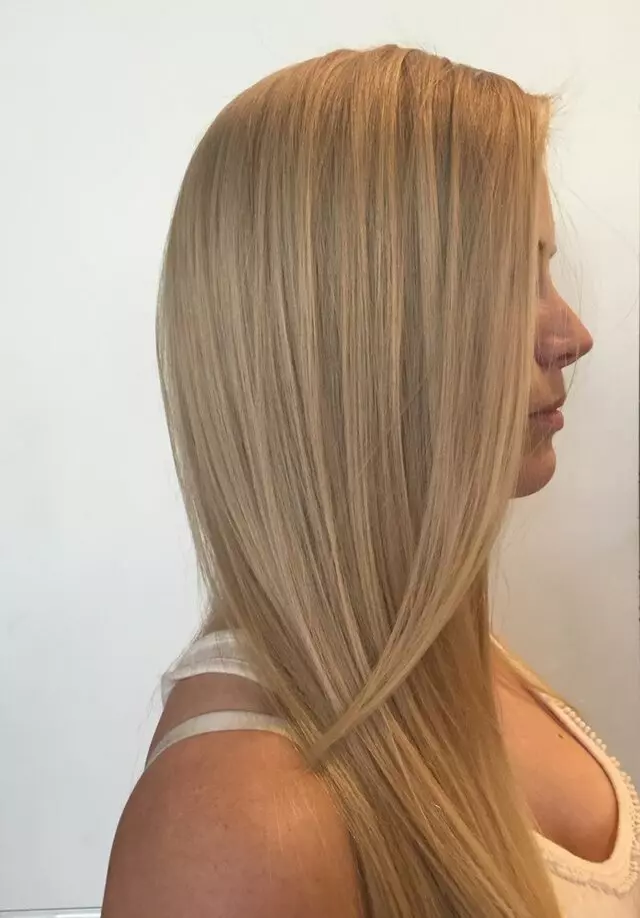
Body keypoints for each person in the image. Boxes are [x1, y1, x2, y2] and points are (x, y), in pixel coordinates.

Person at [102, 44, 639, 918]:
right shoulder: (240, 831)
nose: (572, 334)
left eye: (546, 268)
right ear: (359, 335)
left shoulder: (419, 640)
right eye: (513, 278)